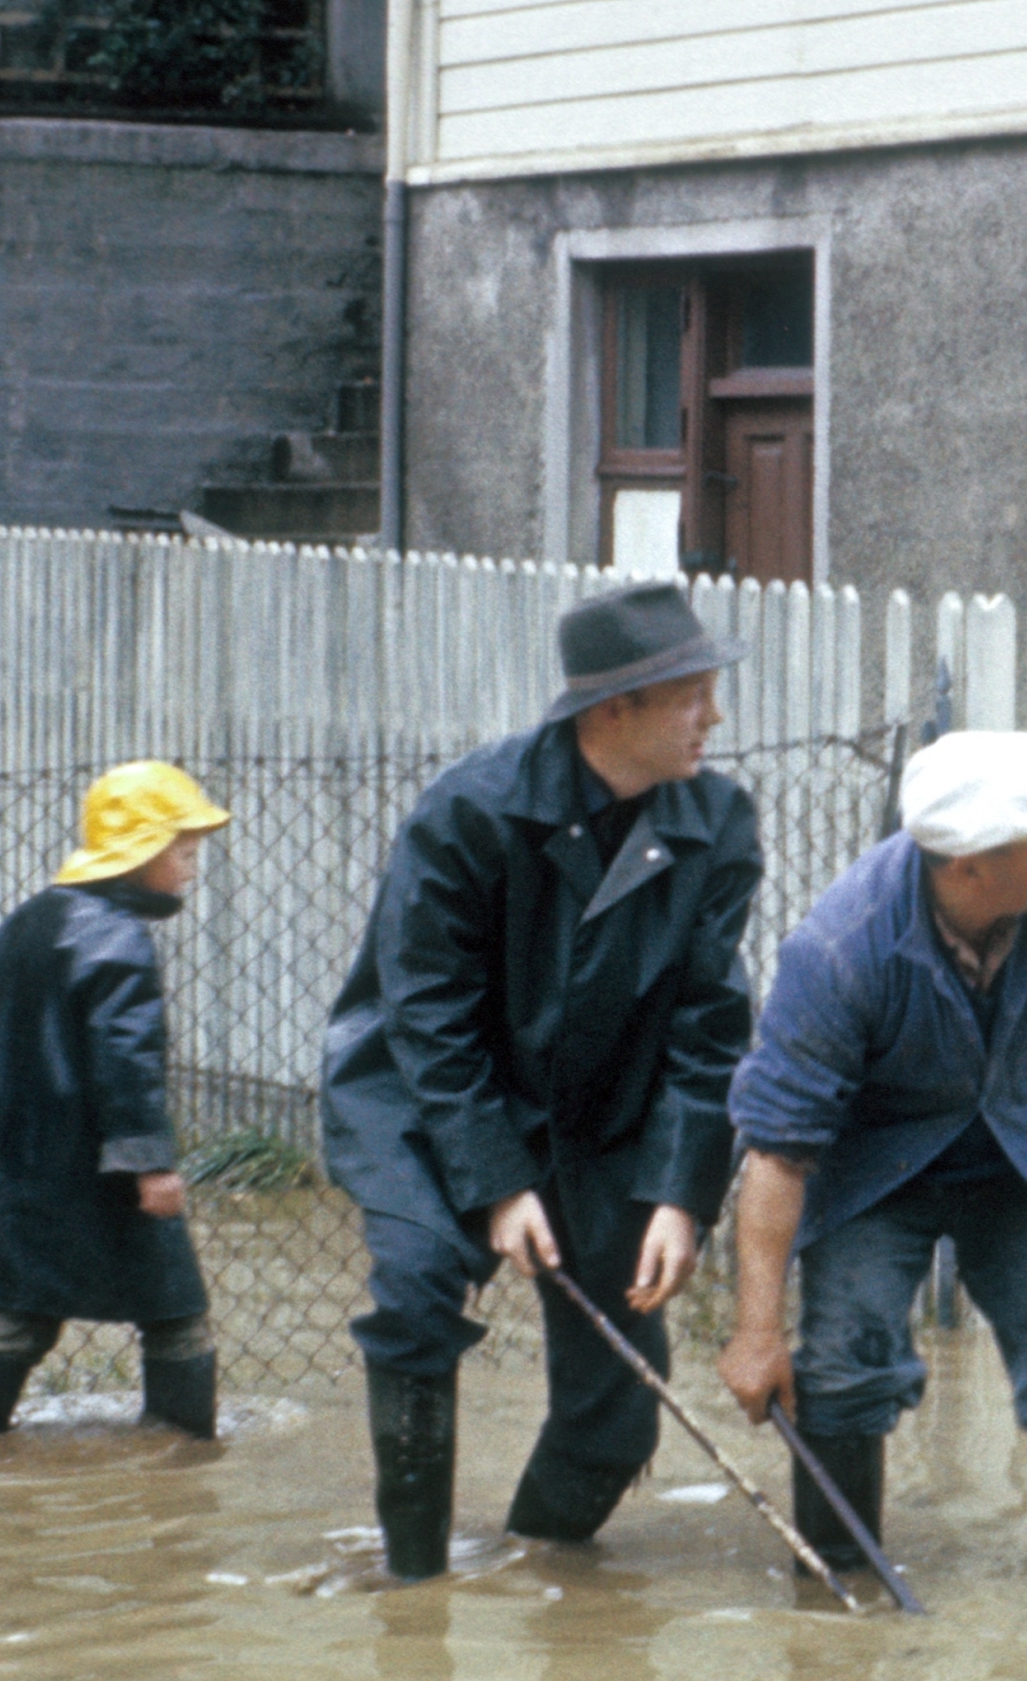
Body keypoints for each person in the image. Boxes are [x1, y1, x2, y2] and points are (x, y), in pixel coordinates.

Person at [320, 582, 763, 1582]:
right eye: (693, 695)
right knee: (418, 1300)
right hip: (427, 1105)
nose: (715, 718)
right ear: (618, 711)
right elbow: (426, 1012)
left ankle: (537, 1562)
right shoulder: (470, 809)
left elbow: (707, 1022)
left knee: (619, 1399)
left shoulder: (718, 820)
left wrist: (679, 1194)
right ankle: (414, 1586)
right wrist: (496, 1180)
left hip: (602, 1113)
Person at [717, 729, 1027, 1580]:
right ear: (968, 866)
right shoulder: (838, 948)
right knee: (842, 1365)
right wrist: (756, 1332)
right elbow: (778, 1154)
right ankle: (838, 1597)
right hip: (877, 1173)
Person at [0, 761, 235, 1437]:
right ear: (142, 851)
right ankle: (179, 1456)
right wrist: (150, 1161)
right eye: (182, 852)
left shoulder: (33, 918)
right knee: (177, 1316)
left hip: (23, 1168)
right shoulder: (117, 937)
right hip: (99, 1167)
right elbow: (127, 1059)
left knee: (24, 1311)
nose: (190, 868)